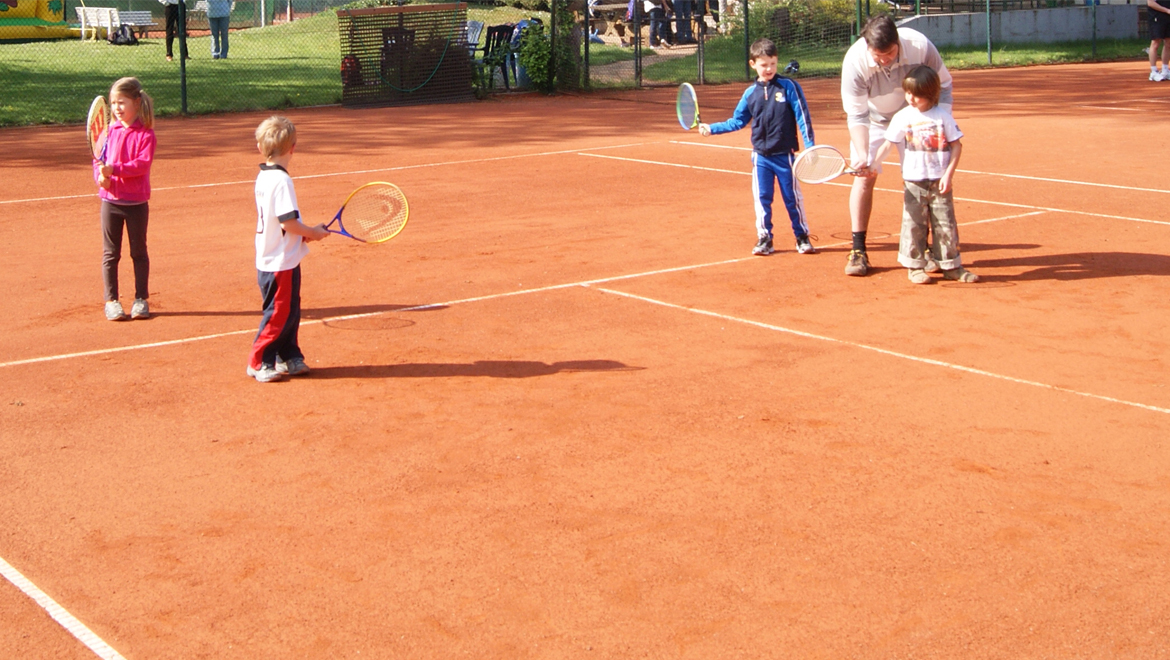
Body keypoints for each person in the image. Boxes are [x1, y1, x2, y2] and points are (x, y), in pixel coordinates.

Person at [841, 14, 952, 276]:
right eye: (878, 55)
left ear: (898, 41)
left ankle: (923, 248)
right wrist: (862, 154)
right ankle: (858, 250)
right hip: (873, 120)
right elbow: (857, 116)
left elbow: (944, 85)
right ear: (867, 45)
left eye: (889, 53)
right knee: (864, 178)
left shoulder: (920, 46)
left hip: (916, 117)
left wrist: (938, 121)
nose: (885, 60)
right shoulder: (855, 62)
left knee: (922, 180)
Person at [698, 38, 817, 256]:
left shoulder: (789, 87)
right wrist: (712, 128)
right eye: (763, 65)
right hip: (761, 157)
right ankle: (765, 238)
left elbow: (803, 117)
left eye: (772, 63)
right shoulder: (750, 93)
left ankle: (801, 236)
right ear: (753, 64)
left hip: (785, 156)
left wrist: (810, 147)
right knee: (762, 199)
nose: (769, 69)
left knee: (793, 199)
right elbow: (737, 121)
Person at [870, 65, 977, 284]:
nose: (911, 98)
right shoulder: (902, 117)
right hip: (913, 182)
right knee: (913, 224)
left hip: (939, 182)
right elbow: (889, 144)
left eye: (916, 94)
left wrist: (948, 175)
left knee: (945, 224)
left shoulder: (942, 117)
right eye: (908, 92)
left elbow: (957, 146)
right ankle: (915, 267)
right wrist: (873, 163)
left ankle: (951, 266)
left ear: (930, 93)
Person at [248, 116, 329, 383]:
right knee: (279, 312)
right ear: (293, 147)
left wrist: (301, 236)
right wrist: (313, 234)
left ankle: (288, 356)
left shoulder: (264, 175)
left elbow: (281, 223)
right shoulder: (282, 181)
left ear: (261, 149)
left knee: (291, 310)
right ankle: (259, 361)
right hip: (278, 262)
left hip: (279, 257)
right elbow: (288, 222)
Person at [95, 77, 157, 322]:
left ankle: (140, 299)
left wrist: (114, 170)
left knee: (139, 252)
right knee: (111, 254)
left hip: (136, 204)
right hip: (110, 202)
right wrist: (100, 177)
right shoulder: (108, 131)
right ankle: (112, 301)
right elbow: (97, 161)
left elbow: (141, 165)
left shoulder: (146, 134)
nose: (117, 108)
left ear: (136, 102)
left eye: (122, 102)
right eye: (113, 103)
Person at [1148, 0, 1170, 80]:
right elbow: (1150, 3)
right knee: (1155, 43)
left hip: (1168, 17)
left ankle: (1165, 70)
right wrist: (1167, 10)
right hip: (1157, 17)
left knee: (1168, 43)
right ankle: (1153, 72)